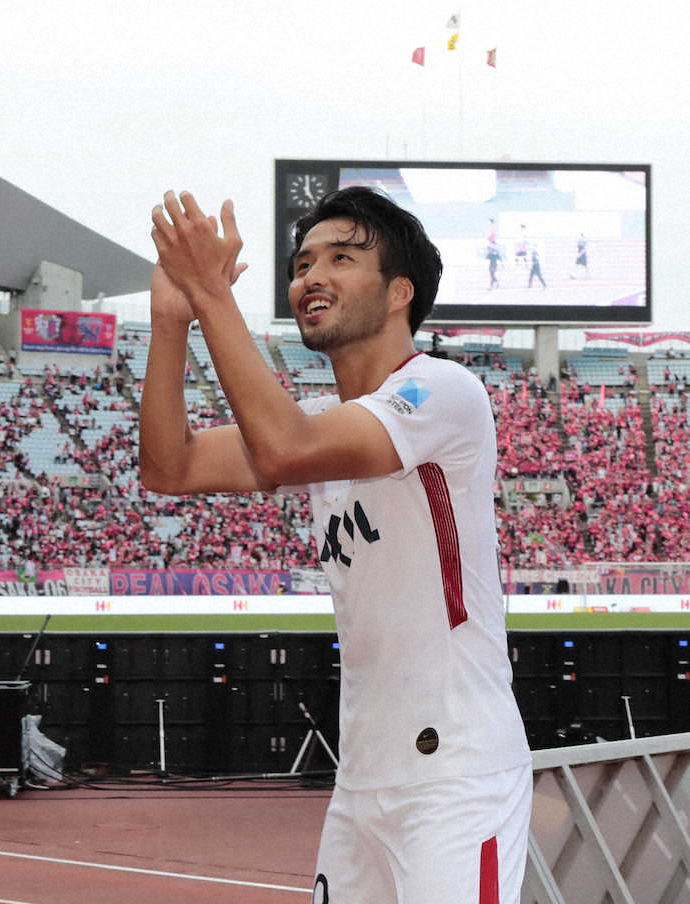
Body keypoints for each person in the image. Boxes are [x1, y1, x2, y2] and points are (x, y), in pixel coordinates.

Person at [142, 186, 532, 903]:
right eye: (302, 262)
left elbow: (287, 451)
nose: (310, 276)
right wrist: (173, 321)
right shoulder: (323, 420)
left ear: (398, 294)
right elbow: (171, 468)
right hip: (361, 780)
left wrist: (211, 295)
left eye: (342, 258)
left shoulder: (443, 390)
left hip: (455, 777)